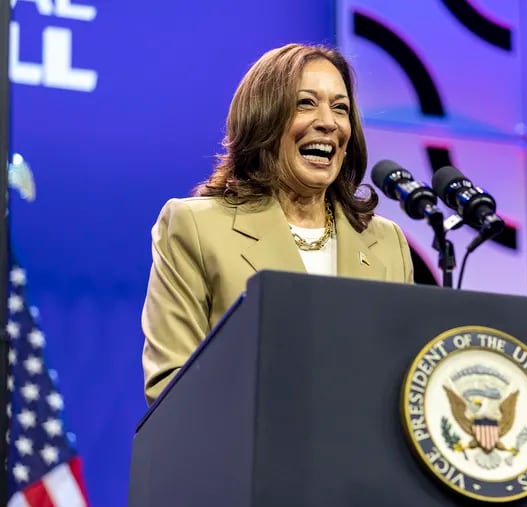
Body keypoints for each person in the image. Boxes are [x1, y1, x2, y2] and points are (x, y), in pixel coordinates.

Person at [140, 43, 415, 405]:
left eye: (340, 108)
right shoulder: (195, 226)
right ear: (264, 119)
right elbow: (170, 385)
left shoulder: (385, 241)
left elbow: (406, 382)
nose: (328, 122)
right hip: (247, 454)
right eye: (305, 103)